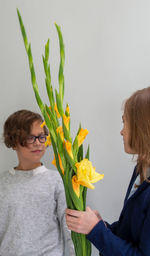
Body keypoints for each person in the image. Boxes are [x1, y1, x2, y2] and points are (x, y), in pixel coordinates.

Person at [66, 87, 150, 256]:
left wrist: (95, 230)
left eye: (125, 122)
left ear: (142, 128)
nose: (122, 131)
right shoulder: (142, 169)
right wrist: (102, 227)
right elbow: (131, 230)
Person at [1, 109, 75, 256]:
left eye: (42, 137)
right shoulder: (3, 183)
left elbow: (70, 231)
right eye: (30, 137)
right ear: (14, 142)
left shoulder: (56, 181)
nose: (38, 143)